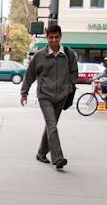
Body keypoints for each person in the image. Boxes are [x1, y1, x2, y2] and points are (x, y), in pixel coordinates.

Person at [20, 24, 77, 169]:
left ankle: (41, 153)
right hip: (45, 96)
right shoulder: (39, 56)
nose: (53, 40)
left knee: (51, 126)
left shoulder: (69, 55)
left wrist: (68, 88)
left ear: (60, 37)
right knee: (52, 125)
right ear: (47, 37)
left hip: (62, 96)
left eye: (56, 37)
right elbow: (30, 75)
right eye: (51, 37)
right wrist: (24, 92)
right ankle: (58, 158)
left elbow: (74, 73)